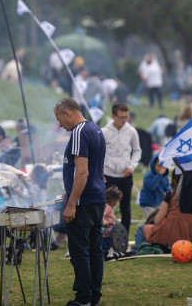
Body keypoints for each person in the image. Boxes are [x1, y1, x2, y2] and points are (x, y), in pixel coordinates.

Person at [54, 97, 106, 306]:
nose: (60, 125)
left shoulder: (78, 132)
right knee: (95, 251)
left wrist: (72, 203)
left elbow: (82, 172)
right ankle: (93, 298)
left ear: (67, 113)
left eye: (59, 119)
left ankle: (83, 299)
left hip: (83, 203)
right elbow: (92, 170)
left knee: (80, 252)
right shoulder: (95, 129)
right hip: (97, 199)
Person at [134, 174, 192, 251]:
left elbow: (157, 220)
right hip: (188, 241)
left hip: (167, 235)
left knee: (142, 229)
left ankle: (135, 251)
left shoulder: (172, 194)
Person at [102, 103, 141, 235]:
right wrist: (100, 170)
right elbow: (98, 152)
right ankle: (103, 237)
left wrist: (131, 166)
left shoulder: (131, 131)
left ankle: (123, 240)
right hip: (108, 174)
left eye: (126, 117)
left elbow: (137, 151)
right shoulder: (104, 132)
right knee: (103, 207)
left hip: (125, 175)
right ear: (113, 116)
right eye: (121, 117)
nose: (124, 120)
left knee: (126, 208)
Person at [139, 154, 172, 221]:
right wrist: (159, 175)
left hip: (158, 203)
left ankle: (150, 229)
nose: (161, 168)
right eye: (159, 166)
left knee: (157, 219)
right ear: (153, 165)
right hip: (147, 203)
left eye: (163, 166)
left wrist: (170, 191)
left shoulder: (164, 177)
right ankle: (147, 230)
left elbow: (166, 186)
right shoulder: (148, 176)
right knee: (153, 219)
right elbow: (151, 186)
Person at [101, 185, 123, 256]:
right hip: (105, 230)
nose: (116, 203)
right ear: (112, 200)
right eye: (116, 201)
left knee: (109, 242)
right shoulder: (107, 207)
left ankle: (107, 253)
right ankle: (103, 255)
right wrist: (105, 222)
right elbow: (101, 217)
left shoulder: (109, 207)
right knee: (105, 244)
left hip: (108, 231)